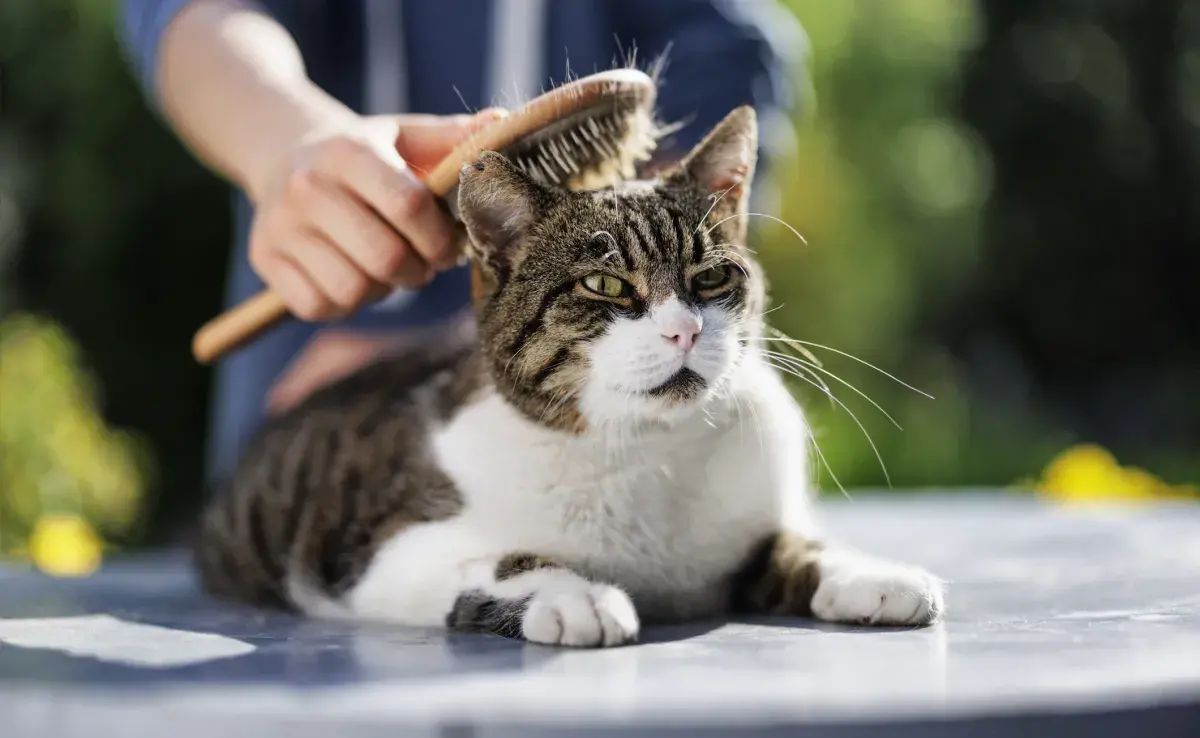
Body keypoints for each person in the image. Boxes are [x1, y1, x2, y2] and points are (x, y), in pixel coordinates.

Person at [116, 0, 807, 486]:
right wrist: (285, 140)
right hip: (314, 407)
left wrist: (556, 334)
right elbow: (190, 11)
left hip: (608, 434)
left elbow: (721, 51)